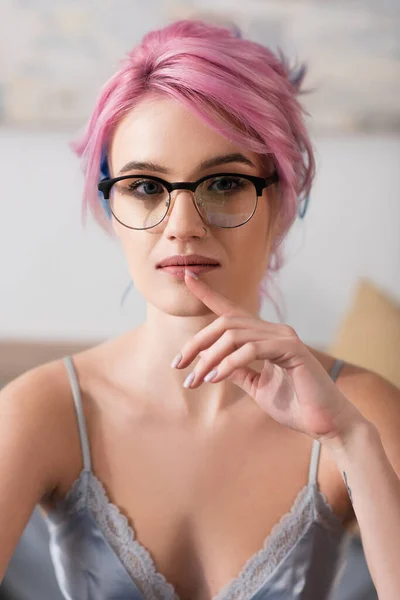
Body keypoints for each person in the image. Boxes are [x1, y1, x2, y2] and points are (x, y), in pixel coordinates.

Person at [1, 18, 400, 600]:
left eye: (223, 184)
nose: (183, 227)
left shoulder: (363, 412)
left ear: (282, 204)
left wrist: (351, 444)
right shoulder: (43, 411)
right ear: (113, 210)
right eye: (145, 187)